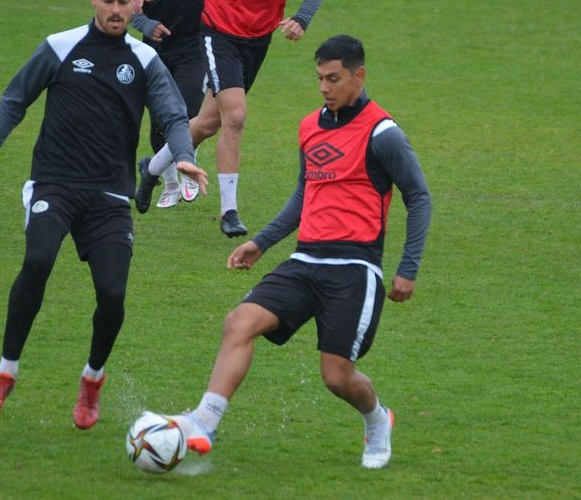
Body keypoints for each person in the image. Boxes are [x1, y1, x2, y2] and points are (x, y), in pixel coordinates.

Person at [0, 0, 208, 428]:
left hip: (110, 195)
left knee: (112, 293)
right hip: (54, 183)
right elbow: (14, 101)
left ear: (136, 3)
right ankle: (5, 372)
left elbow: (175, 114)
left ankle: (92, 379)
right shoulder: (59, 46)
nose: (116, 10)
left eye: (124, 2)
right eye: (108, 1)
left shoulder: (145, 59)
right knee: (37, 261)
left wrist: (182, 154)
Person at [168, 35, 432, 469]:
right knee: (239, 322)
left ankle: (377, 418)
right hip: (305, 260)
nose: (325, 88)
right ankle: (204, 423)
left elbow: (418, 197)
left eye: (334, 79)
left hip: (354, 269)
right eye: (320, 79)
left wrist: (408, 268)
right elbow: (304, 193)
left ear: (358, 76)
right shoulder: (310, 126)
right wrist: (262, 242)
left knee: (337, 376)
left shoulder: (383, 133)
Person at [134, 0, 327, 237]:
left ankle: (152, 169)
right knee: (235, 118)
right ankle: (229, 212)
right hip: (218, 34)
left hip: (257, 40)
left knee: (208, 123)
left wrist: (302, 17)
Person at [121, 0, 205, 209]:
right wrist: (146, 22)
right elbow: (123, 3)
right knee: (158, 124)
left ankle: (186, 168)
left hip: (195, 44)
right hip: (152, 51)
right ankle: (167, 180)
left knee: (187, 111)